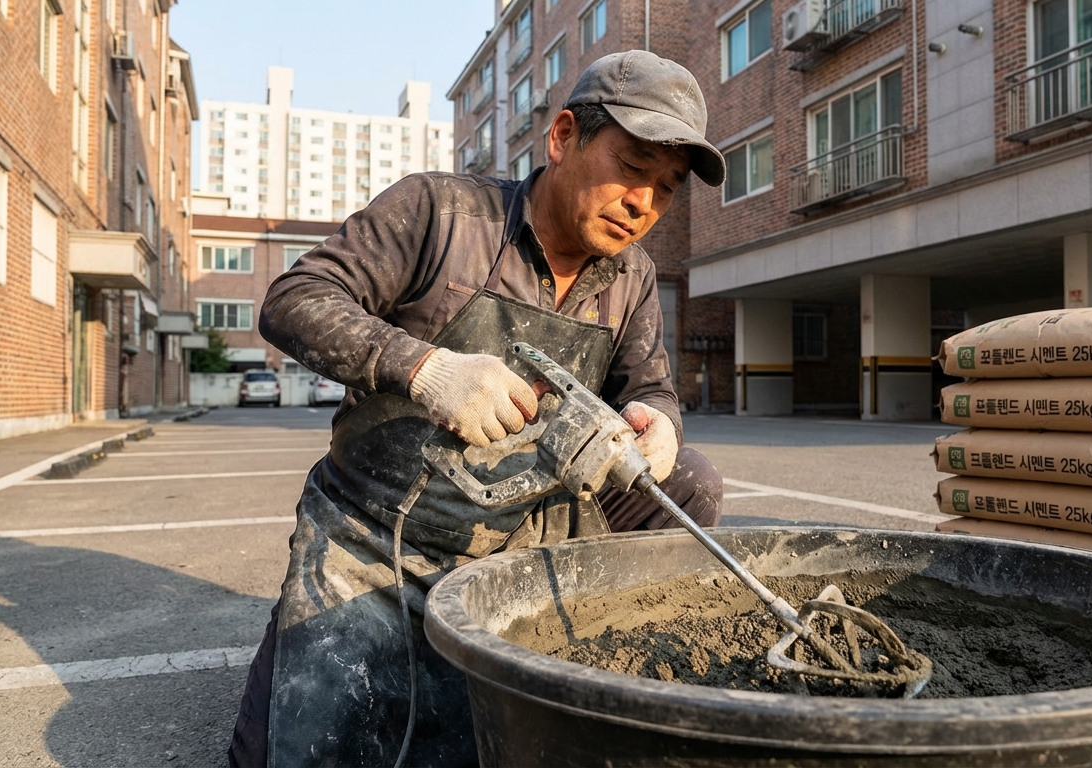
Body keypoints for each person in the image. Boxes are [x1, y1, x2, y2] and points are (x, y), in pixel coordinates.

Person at [227, 50, 728, 767]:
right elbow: (293, 301)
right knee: (299, 746)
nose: (643, 202)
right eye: (633, 165)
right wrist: (426, 368)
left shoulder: (633, 275)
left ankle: (604, 647)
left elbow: (647, 385)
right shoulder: (440, 212)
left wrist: (659, 423)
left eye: (667, 188)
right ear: (562, 138)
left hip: (524, 535)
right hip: (380, 536)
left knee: (691, 483)